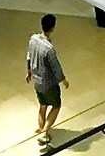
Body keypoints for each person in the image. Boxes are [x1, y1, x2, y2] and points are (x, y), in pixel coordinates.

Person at [27, 12, 68, 150]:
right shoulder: (49, 49)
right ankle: (44, 132)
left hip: (37, 81)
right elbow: (55, 67)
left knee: (43, 105)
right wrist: (63, 80)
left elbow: (29, 56)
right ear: (53, 28)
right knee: (56, 106)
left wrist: (28, 72)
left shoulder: (33, 39)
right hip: (48, 83)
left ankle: (41, 129)